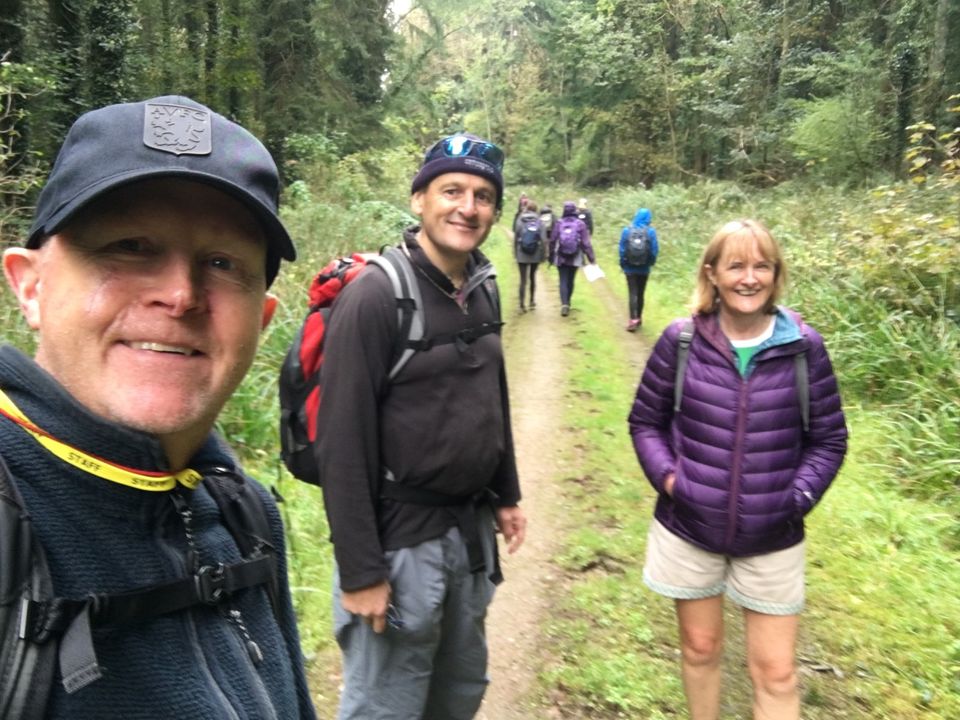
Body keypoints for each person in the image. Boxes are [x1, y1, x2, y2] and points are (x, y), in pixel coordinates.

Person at [0, 96, 316, 718]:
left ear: (262, 320)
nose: (180, 295)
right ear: (31, 286)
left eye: (222, 263)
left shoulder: (245, 513)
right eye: (128, 246)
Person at [315, 132, 527, 720]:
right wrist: (360, 571)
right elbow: (342, 442)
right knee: (386, 705)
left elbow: (492, 393)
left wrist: (506, 493)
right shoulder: (377, 296)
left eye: (483, 196)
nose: (468, 207)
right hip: (399, 540)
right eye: (452, 190)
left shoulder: (481, 285)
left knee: (458, 692)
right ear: (419, 200)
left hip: (469, 533)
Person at [627, 219, 847, 720]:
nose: (749, 278)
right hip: (689, 528)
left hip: (773, 536)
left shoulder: (803, 347)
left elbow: (829, 440)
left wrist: (795, 500)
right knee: (700, 649)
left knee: (776, 671)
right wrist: (671, 481)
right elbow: (645, 423)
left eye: (761, 266)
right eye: (736, 266)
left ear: (776, 275)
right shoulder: (680, 341)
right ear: (713, 273)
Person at [549, 200, 596, 316]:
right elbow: (586, 243)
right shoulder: (580, 224)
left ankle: (564, 304)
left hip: (561, 256)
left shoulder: (559, 223)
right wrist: (591, 258)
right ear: (575, 210)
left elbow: (552, 241)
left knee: (563, 280)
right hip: (575, 256)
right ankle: (568, 302)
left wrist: (550, 256)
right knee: (571, 280)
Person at [619, 207, 659, 331]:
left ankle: (632, 320)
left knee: (632, 293)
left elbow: (622, 249)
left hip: (629, 268)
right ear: (648, 218)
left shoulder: (627, 231)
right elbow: (654, 250)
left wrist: (623, 263)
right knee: (641, 293)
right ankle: (639, 318)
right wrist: (650, 263)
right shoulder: (650, 232)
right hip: (644, 268)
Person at [513, 199, 548, 311]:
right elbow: (543, 240)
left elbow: (516, 236)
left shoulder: (520, 219)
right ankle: (532, 301)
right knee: (532, 277)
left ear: (527, 208)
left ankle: (521, 305)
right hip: (535, 253)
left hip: (521, 253)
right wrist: (544, 254)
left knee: (523, 280)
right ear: (536, 209)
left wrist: (515, 252)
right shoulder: (539, 221)